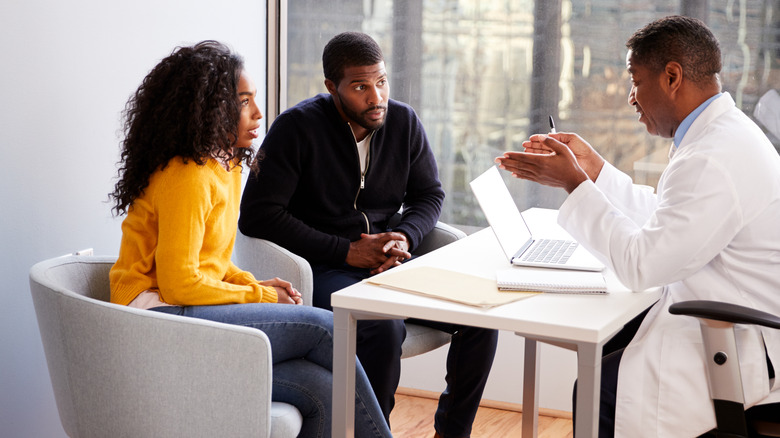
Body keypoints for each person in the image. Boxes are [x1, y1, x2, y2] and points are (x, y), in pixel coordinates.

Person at [496, 15, 780, 437]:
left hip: (736, 343)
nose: (631, 97)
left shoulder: (712, 157)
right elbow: (670, 216)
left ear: (671, 77)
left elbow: (642, 266)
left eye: (635, 80)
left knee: (599, 390)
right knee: (606, 353)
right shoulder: (722, 135)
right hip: (727, 323)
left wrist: (573, 183)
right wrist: (595, 172)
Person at [108, 41, 392, 438]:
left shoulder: (220, 165)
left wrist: (252, 283)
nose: (258, 113)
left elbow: (211, 263)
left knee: (319, 387)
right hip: (154, 320)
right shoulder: (186, 175)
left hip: (180, 310)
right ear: (208, 108)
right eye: (244, 102)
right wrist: (259, 298)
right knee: (324, 327)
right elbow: (178, 282)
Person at [239, 32, 498, 438]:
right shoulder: (296, 128)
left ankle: (452, 432)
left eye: (381, 82)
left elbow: (429, 194)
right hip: (321, 267)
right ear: (332, 88)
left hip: (391, 260)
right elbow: (257, 216)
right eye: (360, 86)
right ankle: (377, 432)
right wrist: (345, 251)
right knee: (383, 326)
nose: (375, 97)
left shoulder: (403, 122)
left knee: (479, 317)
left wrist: (404, 237)